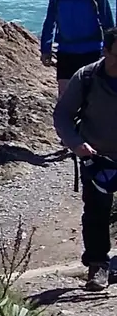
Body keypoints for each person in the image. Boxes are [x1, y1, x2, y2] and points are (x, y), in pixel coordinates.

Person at [53, 27, 117, 291]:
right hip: (97, 158)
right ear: (105, 51)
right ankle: (98, 266)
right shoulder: (87, 77)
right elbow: (63, 115)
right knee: (96, 213)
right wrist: (76, 144)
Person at [42, 0, 114, 95]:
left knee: (91, 94)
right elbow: (50, 22)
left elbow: (109, 26)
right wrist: (46, 48)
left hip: (91, 52)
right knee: (65, 95)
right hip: (66, 52)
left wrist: (110, 52)